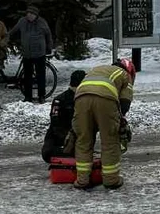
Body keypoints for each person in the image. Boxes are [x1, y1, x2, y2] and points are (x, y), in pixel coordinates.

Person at [73, 59, 136, 190]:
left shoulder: (98, 69)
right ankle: (111, 180)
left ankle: (82, 180)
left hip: (80, 99)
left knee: (84, 140)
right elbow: (124, 103)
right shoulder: (125, 75)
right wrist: (119, 120)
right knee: (110, 140)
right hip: (105, 99)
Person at [8, 6, 53, 103]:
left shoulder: (42, 22)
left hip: (39, 53)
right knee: (27, 76)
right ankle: (28, 96)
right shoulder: (22, 21)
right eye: (28, 14)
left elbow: (48, 34)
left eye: (32, 14)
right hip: (27, 53)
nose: (29, 16)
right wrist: (7, 38)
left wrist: (49, 47)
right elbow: (13, 31)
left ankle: (42, 96)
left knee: (40, 76)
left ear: (36, 15)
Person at [42, 70, 84, 163]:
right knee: (48, 153)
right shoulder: (60, 100)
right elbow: (55, 123)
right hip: (60, 137)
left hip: (77, 136)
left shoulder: (84, 99)